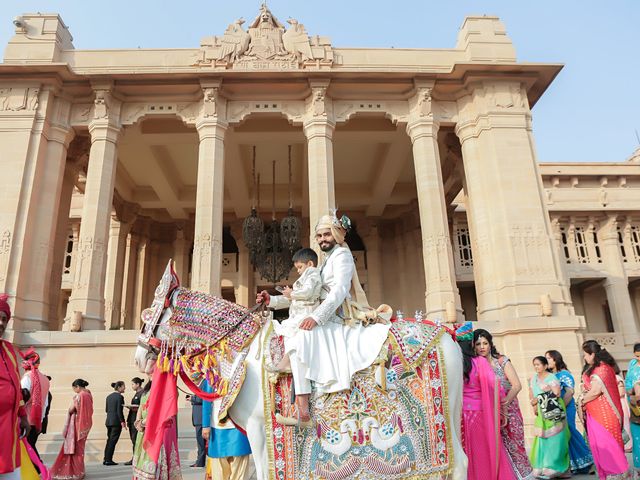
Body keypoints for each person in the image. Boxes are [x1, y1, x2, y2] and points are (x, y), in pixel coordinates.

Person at [257, 212, 390, 423]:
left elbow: (339, 291)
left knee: (300, 339)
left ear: (337, 235)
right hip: (320, 314)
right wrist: (271, 302)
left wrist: (317, 318)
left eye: (326, 235)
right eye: (319, 236)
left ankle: (303, 410)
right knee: (292, 334)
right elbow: (304, 298)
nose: (322, 240)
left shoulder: (342, 256)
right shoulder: (324, 263)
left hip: (337, 316)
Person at [264, 247, 322, 424]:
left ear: (310, 264)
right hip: (297, 318)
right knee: (287, 335)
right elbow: (291, 299)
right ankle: (284, 362)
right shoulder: (303, 278)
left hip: (307, 319)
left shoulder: (313, 274)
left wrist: (293, 293)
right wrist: (271, 300)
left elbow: (310, 293)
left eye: (299, 267)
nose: (297, 271)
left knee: (297, 352)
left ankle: (303, 408)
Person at [474, 329, 534, 480]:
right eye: (478, 344)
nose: (482, 347)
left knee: (516, 446)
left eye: (485, 343)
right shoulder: (476, 364)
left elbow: (516, 385)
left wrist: (504, 404)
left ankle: (525, 476)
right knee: (498, 449)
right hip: (489, 412)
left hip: (510, 410)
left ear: (490, 344)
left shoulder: (501, 361)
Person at [458, 322, 515, 479]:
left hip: (461, 415)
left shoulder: (456, 364)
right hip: (480, 414)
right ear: (471, 344)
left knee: (466, 451)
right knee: (483, 450)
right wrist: (502, 409)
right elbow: (496, 387)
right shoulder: (480, 362)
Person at [579, 340, 629, 479]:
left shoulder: (602, 368)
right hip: (595, 413)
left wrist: (581, 400)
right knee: (599, 444)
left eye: (585, 354)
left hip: (604, 414)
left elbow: (595, 391)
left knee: (606, 443)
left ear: (593, 354)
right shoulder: (596, 368)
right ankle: (609, 473)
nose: (584, 357)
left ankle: (616, 472)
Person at [545, 350, 593, 474]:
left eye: (549, 358)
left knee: (570, 430)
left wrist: (561, 408)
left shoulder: (564, 374)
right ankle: (571, 464)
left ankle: (588, 460)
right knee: (561, 436)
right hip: (555, 409)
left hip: (566, 407)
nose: (547, 361)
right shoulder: (550, 376)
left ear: (556, 359)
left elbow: (570, 392)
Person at [0, 294, 29, 480]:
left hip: (8, 427)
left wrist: (23, 415)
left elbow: (16, 385)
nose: (1, 323)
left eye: (4, 319)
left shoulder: (9, 350)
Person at [528, 355, 570, 478]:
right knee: (542, 438)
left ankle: (555, 466)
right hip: (541, 412)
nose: (536, 367)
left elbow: (556, 393)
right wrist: (534, 404)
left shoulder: (551, 377)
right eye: (534, 364)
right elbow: (531, 394)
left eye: (538, 364)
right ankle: (543, 464)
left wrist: (538, 398)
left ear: (545, 365)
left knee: (556, 438)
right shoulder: (533, 378)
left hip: (553, 410)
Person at [201, 378, 251, 480]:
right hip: (218, 428)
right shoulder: (213, 372)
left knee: (239, 470)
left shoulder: (243, 369)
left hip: (239, 426)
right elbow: (206, 400)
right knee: (219, 471)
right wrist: (205, 425)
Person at [132, 380, 182, 480]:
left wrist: (143, 422)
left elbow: (163, 412)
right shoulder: (147, 388)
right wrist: (138, 421)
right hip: (144, 429)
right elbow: (142, 406)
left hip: (159, 430)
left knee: (156, 460)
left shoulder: (169, 387)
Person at [50, 379, 93, 480]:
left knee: (75, 450)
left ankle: (75, 473)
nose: (74, 391)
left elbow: (71, 409)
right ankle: (80, 471)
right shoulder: (89, 394)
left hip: (77, 425)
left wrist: (69, 412)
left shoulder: (80, 395)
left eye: (74, 388)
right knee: (80, 449)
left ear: (77, 386)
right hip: (85, 425)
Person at [19, 347, 50, 460]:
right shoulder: (45, 379)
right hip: (37, 420)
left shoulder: (27, 378)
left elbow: (21, 398)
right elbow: (45, 404)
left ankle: (38, 468)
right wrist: (40, 420)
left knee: (27, 448)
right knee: (30, 446)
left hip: (25, 420)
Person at [625, 343, 640, 477]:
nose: (639, 359)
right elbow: (627, 386)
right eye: (637, 356)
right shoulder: (633, 366)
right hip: (636, 407)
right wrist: (633, 390)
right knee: (637, 436)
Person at [104, 380, 126, 466]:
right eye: (124, 386)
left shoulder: (108, 397)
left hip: (108, 421)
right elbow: (119, 411)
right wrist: (122, 421)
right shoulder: (120, 397)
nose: (125, 388)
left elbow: (106, 410)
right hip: (116, 422)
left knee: (109, 440)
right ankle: (108, 460)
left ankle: (106, 459)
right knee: (113, 441)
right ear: (119, 387)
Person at [125, 377, 145, 466]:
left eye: (133, 384)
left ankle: (137, 457)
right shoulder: (137, 393)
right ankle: (135, 457)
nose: (132, 386)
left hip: (137, 419)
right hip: (132, 418)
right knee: (134, 440)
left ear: (138, 384)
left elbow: (143, 406)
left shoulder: (142, 393)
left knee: (137, 439)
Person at [189, 393, 206, 468]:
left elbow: (203, 398)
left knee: (201, 442)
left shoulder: (204, 384)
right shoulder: (200, 385)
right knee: (200, 442)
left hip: (200, 419)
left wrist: (192, 399)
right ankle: (199, 461)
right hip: (198, 419)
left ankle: (200, 462)